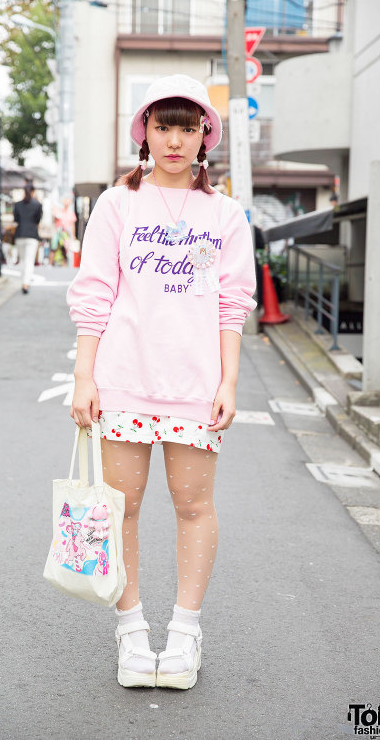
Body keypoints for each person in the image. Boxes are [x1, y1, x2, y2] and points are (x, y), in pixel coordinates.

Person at [66, 74, 256, 690]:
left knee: (194, 506)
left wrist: (228, 383)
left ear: (206, 135)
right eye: (162, 125)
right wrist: (83, 375)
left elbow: (232, 305)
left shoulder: (224, 214)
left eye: (187, 126)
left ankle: (183, 636)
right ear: (143, 133)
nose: (174, 139)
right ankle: (130, 636)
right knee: (121, 511)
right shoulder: (118, 205)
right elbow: (94, 293)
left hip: (194, 388)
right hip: (122, 381)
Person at [13, 183, 43, 293]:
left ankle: (24, 281)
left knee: (22, 260)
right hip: (32, 235)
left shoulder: (17, 205)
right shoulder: (37, 205)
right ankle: (26, 283)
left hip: (20, 234)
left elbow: (16, 219)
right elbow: (38, 220)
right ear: (33, 192)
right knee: (29, 261)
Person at [50, 195, 77, 266]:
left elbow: (72, 225)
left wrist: (73, 236)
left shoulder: (71, 213)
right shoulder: (58, 210)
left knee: (65, 249)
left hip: (66, 233)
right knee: (54, 247)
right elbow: (55, 220)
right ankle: (50, 263)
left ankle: (64, 264)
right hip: (58, 231)